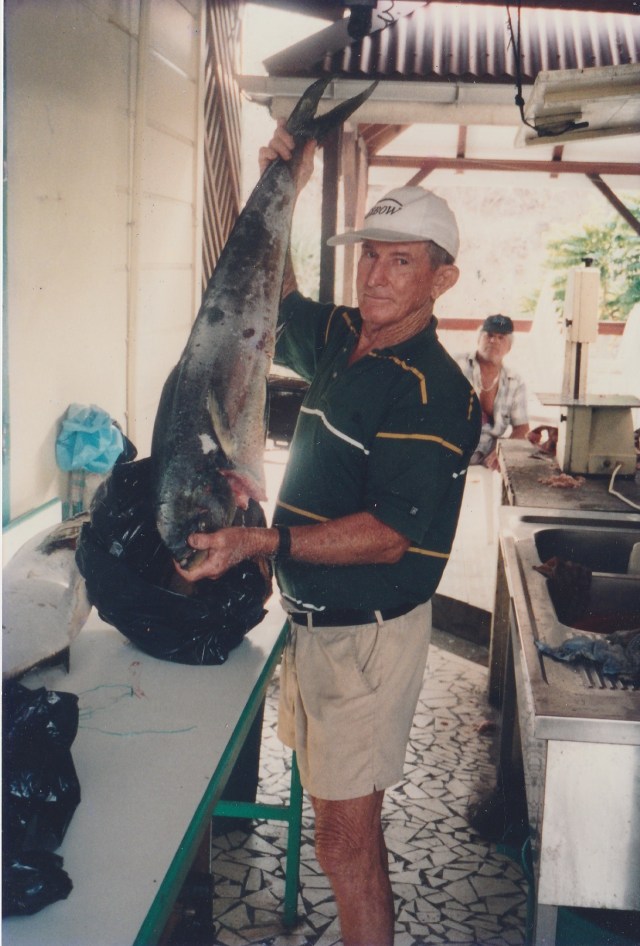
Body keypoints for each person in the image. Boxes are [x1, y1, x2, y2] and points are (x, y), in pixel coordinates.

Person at [177, 126, 481, 946]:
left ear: (441, 278)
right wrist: (287, 178)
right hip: (317, 628)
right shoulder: (347, 339)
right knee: (334, 830)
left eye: (402, 260)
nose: (377, 275)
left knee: (347, 845)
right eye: (370, 256)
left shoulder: (435, 391)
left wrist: (264, 545)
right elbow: (267, 298)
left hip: (368, 640)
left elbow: (388, 537)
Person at [455, 315, 530, 471]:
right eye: (489, 335)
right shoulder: (456, 365)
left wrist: (502, 452)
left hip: (487, 460)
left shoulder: (514, 381)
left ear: (509, 347)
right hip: (450, 453)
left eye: (501, 337)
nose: (494, 341)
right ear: (479, 339)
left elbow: (522, 428)